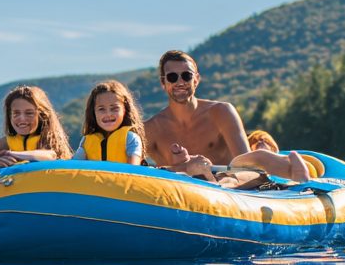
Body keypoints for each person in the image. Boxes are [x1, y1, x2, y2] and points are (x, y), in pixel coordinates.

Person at [142, 50, 249, 176]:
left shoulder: (222, 113)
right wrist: (187, 167)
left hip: (223, 190)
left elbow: (249, 167)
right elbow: (131, 172)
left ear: (196, 79)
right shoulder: (151, 130)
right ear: (163, 83)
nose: (180, 82)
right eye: (172, 77)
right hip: (177, 194)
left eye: (186, 75)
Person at [0, 85, 73, 169]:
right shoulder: (6, 142)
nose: (22, 119)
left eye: (29, 113)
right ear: (10, 116)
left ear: (42, 116)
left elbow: (51, 156)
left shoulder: (48, 140)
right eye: (16, 113)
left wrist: (14, 154)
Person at [170, 129, 313, 187]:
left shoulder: (282, 159)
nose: (261, 143)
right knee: (250, 164)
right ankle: (203, 176)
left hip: (268, 176)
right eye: (255, 142)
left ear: (275, 149)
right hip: (246, 169)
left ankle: (204, 176)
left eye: (266, 141)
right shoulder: (249, 159)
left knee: (257, 162)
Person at [70, 80, 144, 164]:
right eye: (101, 109)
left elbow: (133, 169)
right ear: (93, 113)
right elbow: (73, 166)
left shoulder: (131, 139)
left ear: (125, 110)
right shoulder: (86, 142)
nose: (108, 114)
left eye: (114, 108)